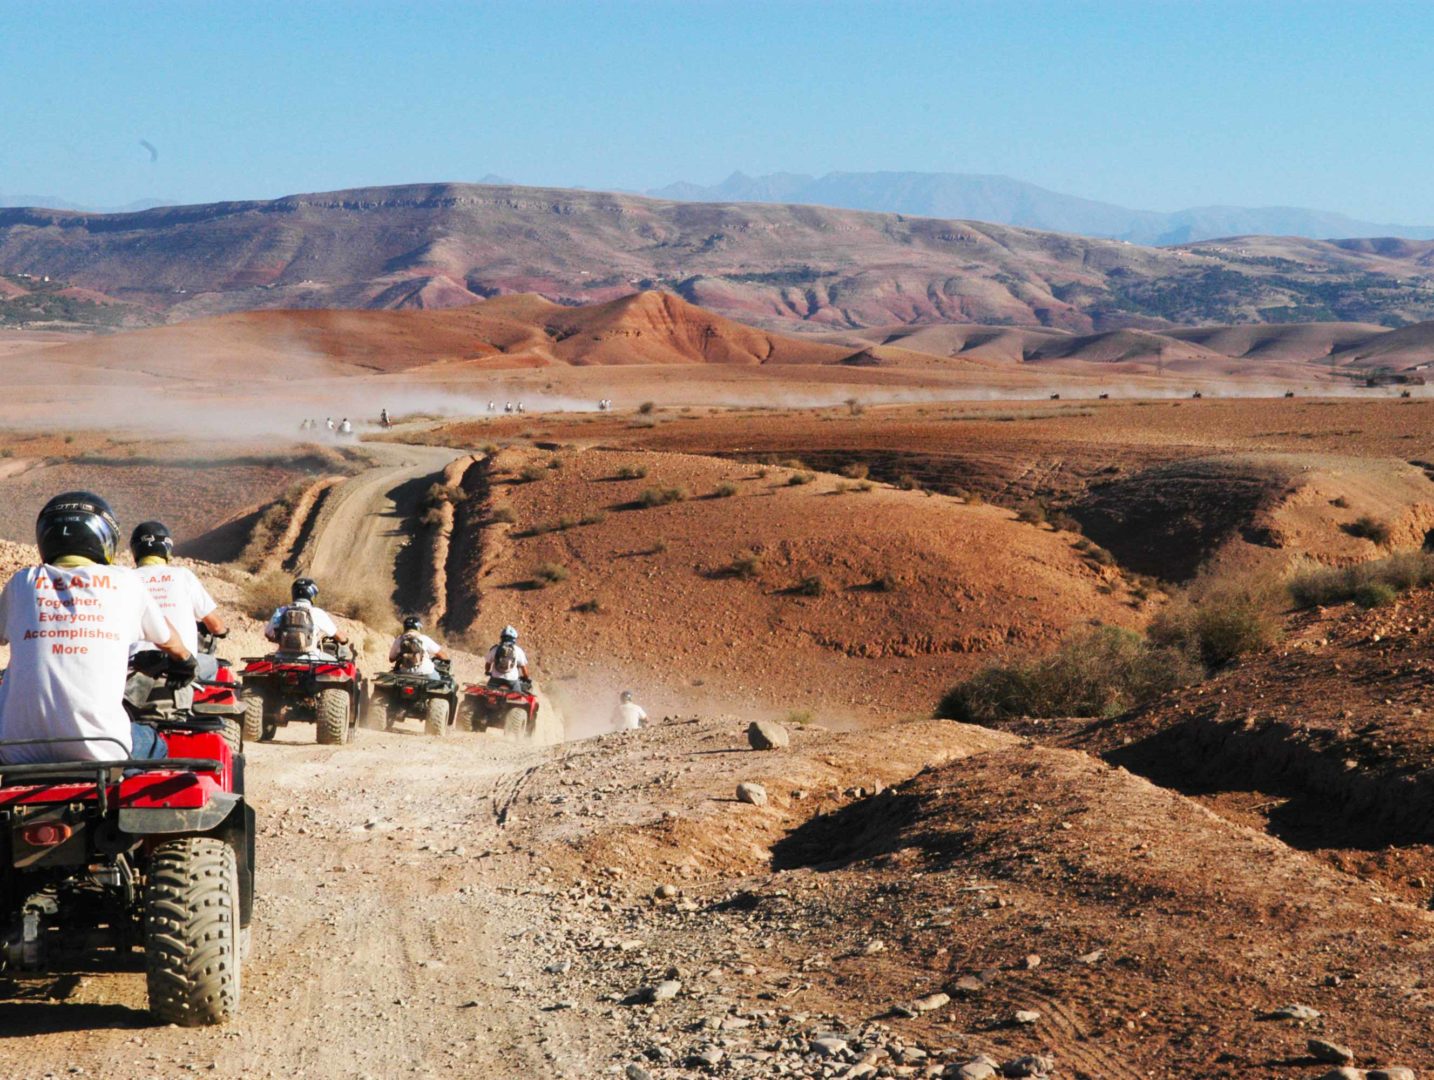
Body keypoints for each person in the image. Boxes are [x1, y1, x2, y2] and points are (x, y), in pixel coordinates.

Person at [0, 492, 198, 764]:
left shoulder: (21, 583)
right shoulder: (124, 582)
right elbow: (170, 641)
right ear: (105, 538)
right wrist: (185, 661)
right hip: (103, 749)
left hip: (17, 750)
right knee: (154, 742)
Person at [129, 520, 226, 682]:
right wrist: (223, 632)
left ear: (135, 549)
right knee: (212, 664)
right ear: (167, 549)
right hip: (180, 666)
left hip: (132, 667)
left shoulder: (125, 579)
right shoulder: (183, 576)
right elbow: (215, 625)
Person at [265, 577, 347, 658]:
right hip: (311, 658)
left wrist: (283, 639)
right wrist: (345, 641)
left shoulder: (280, 611)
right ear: (312, 595)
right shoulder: (317, 613)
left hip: (281, 658)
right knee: (338, 664)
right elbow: (339, 636)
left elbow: (268, 633)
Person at [484, 625, 529, 690]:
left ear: (501, 638)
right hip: (512, 680)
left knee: (487, 692)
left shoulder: (495, 649)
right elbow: (523, 668)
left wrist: (487, 671)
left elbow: (488, 663)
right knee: (518, 696)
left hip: (496, 678)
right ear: (514, 638)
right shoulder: (518, 650)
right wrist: (526, 677)